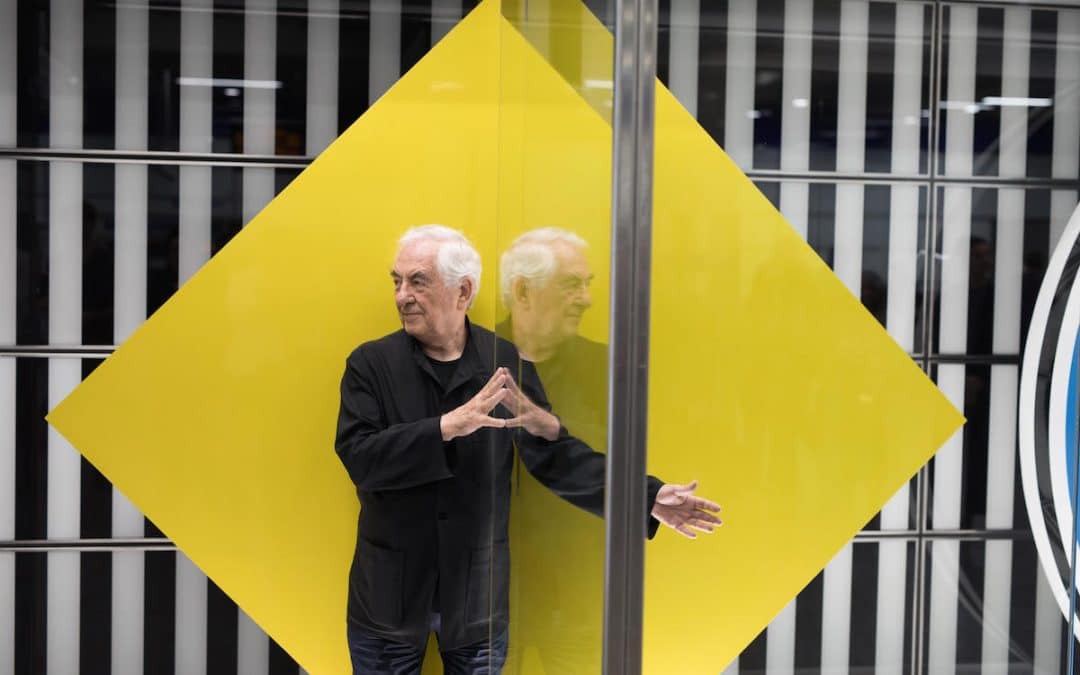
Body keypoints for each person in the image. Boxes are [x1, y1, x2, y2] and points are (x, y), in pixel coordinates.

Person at [335, 225, 721, 675]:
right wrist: (444, 427)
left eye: (417, 281)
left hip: (477, 604)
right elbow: (360, 458)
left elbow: (555, 458)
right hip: (387, 604)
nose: (402, 295)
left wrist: (647, 497)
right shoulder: (370, 364)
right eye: (397, 281)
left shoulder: (506, 361)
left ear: (464, 291)